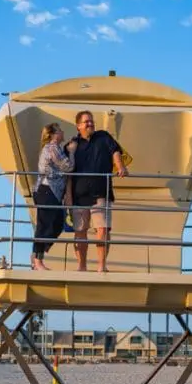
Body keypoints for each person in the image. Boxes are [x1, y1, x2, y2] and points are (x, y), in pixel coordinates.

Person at [64, 110, 127, 272]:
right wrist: (68, 197)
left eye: (91, 121)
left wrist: (120, 166)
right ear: (78, 126)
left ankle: (101, 266)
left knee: (103, 229)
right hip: (79, 195)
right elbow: (68, 173)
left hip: (101, 192)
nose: (90, 123)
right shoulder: (72, 145)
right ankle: (82, 266)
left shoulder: (103, 137)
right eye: (86, 121)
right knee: (80, 231)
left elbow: (115, 151)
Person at [31, 122, 75, 270]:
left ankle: (38, 252)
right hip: (46, 190)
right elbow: (68, 167)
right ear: (54, 134)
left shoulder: (55, 148)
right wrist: (72, 152)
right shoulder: (52, 148)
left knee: (57, 224)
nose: (63, 132)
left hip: (53, 193)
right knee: (43, 226)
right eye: (60, 130)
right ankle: (38, 260)